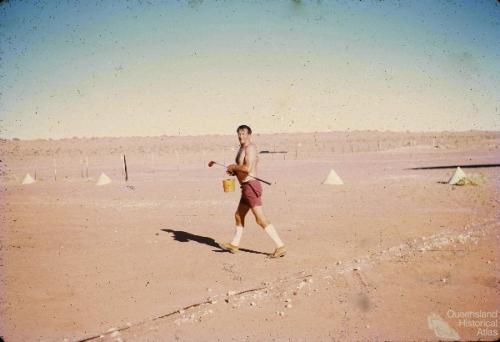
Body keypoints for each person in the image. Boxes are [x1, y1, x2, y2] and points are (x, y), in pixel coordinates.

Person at [218, 125, 287, 258]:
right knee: (238, 215)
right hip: (245, 188)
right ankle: (234, 245)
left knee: (260, 219)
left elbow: (247, 168)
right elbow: (241, 168)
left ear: (249, 135)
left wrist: (233, 166)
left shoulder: (250, 148)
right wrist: (234, 171)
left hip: (251, 186)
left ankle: (280, 246)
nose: (241, 136)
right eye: (239, 134)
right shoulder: (242, 148)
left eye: (243, 133)